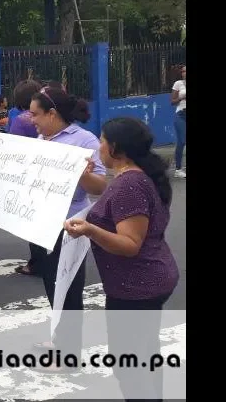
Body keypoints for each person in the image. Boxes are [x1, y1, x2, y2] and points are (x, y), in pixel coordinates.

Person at [64, 117, 179, 400]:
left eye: (102, 141)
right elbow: (110, 196)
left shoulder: (129, 184)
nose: (99, 146)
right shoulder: (134, 176)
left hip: (137, 286)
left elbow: (129, 245)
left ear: (115, 147)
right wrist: (83, 174)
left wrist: (91, 229)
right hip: (149, 279)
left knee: (129, 363)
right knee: (145, 353)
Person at [20, 86, 108, 368]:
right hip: (39, 222)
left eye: (35, 114)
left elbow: (100, 186)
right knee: (50, 281)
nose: (30, 119)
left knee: (69, 288)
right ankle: (60, 340)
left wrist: (82, 174)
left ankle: (70, 354)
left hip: (69, 225)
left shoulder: (84, 140)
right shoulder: (41, 138)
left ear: (52, 113)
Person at [8, 79, 46, 277]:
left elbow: (14, 150)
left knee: (33, 221)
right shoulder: (49, 116)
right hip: (48, 173)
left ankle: (37, 263)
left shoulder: (20, 120)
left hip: (29, 176)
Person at [170, 65, 186, 178]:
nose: (184, 73)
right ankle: (178, 169)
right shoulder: (178, 84)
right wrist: (182, 97)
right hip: (181, 114)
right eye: (183, 71)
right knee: (182, 140)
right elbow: (172, 101)